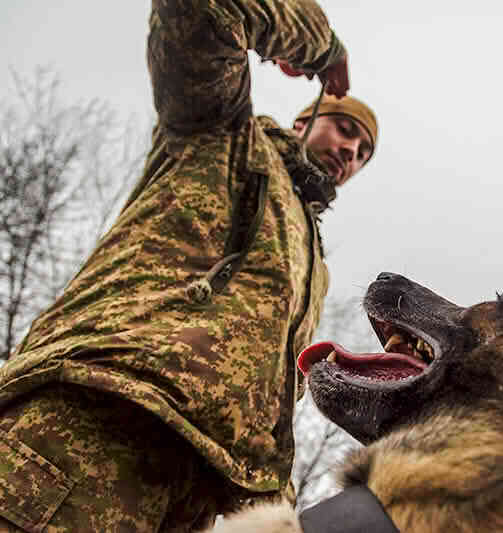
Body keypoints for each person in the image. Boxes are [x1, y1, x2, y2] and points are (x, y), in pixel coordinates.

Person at [0, 0, 377, 530]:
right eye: (344, 130)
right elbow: (204, 9)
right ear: (304, 119)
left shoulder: (311, 260)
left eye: (363, 152)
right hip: (93, 424)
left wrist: (273, 498)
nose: (351, 153)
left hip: (199, 493)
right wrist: (320, 44)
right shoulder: (220, 136)